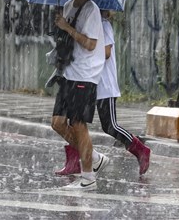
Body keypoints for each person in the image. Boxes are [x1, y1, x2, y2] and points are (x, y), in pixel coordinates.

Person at [56, 10, 151, 176]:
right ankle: (73, 161)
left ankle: (141, 150)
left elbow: (106, 52)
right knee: (75, 122)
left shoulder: (104, 25)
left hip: (103, 84)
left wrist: (84, 44)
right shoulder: (85, 26)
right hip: (86, 81)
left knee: (110, 126)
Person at [51, 0, 106, 190]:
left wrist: (67, 27)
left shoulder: (92, 9)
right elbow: (67, 38)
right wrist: (59, 28)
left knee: (78, 124)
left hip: (85, 74)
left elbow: (91, 44)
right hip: (68, 71)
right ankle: (94, 157)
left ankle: (88, 177)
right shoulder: (67, 6)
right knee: (57, 122)